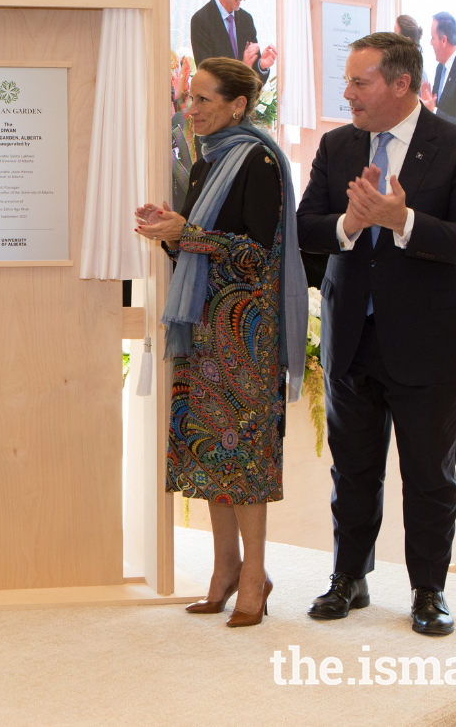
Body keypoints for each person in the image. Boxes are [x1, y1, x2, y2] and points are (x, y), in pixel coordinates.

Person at [296, 32, 456, 636]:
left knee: (430, 476)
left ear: (401, 84)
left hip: (428, 343)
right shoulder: (336, 146)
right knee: (352, 470)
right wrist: (350, 224)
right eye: (347, 81)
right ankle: (348, 578)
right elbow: (307, 227)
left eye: (359, 82)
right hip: (352, 336)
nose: (347, 93)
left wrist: (402, 219)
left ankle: (428, 591)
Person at [136, 57, 307, 628]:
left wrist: (191, 234)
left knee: (245, 459)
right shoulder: (205, 163)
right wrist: (170, 231)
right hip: (204, 327)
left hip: (246, 335)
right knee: (212, 451)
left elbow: (259, 256)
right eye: (189, 99)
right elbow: (195, 250)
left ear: (238, 104)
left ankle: (254, 574)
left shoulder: (258, 160)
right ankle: (224, 568)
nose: (192, 110)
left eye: (203, 100)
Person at [190, 0, 276, 83]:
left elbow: (254, 82)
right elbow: (209, 81)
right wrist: (243, 67)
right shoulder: (201, 21)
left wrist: (262, 65)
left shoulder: (247, 20)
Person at [419, 12, 456, 133]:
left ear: (444, 40)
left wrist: (433, 111)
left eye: (433, 38)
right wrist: (428, 104)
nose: (430, 43)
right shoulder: (440, 68)